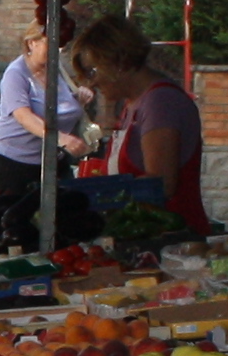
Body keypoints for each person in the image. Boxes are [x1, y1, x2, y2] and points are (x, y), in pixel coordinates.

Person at [68, 14, 209, 229]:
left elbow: (161, 184)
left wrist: (96, 194)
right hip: (141, 233)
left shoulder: (161, 102)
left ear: (119, 62)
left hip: (173, 240)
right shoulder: (134, 103)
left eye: (93, 71)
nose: (91, 82)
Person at [0, 16, 80, 238]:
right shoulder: (16, 74)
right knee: (19, 226)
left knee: (62, 221)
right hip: (16, 162)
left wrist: (80, 97)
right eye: (51, 44)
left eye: (61, 46)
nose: (57, 51)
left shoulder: (57, 70)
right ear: (32, 42)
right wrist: (61, 138)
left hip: (53, 160)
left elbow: (62, 106)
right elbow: (24, 116)